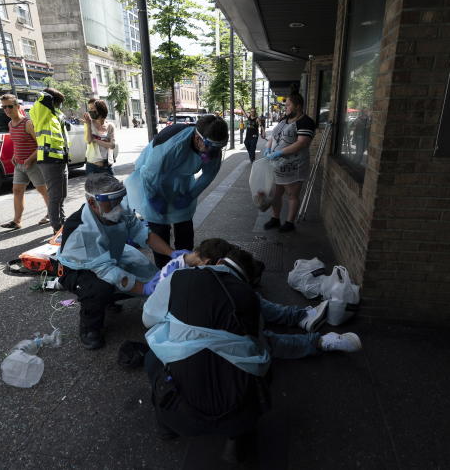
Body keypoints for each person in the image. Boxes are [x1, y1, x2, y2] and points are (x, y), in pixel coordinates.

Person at [144, 238, 363, 359]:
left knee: (251, 309)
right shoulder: (178, 279)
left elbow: (149, 317)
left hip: (185, 341)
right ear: (213, 263)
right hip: (200, 342)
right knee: (263, 340)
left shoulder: (185, 272)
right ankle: (317, 339)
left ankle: (303, 319)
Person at [142, 247, 271, 440]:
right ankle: (238, 439)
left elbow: (148, 319)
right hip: (237, 419)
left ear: (218, 263)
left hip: (180, 417)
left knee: (153, 356)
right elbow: (255, 347)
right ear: (248, 280)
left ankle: (166, 426)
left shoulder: (179, 278)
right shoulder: (250, 298)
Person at [52, 173, 176, 350]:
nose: (118, 206)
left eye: (119, 199)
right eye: (111, 202)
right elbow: (107, 271)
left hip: (110, 254)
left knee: (150, 274)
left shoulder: (117, 208)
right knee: (100, 288)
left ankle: (109, 299)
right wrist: (145, 289)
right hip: (76, 268)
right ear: (92, 203)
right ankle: (89, 326)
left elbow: (144, 234)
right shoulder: (81, 230)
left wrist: (173, 253)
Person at [125, 115, 228, 269]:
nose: (213, 153)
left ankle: (185, 266)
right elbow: (149, 174)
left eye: (218, 148)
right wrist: (154, 198)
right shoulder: (171, 146)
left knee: (185, 228)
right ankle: (163, 269)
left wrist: (190, 195)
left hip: (181, 180)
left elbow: (208, 175)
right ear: (198, 138)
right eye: (210, 147)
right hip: (151, 179)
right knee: (159, 228)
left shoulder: (213, 149)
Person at [262, 91, 316, 233]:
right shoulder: (283, 120)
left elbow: (301, 143)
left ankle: (289, 222)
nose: (285, 107)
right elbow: (273, 137)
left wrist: (279, 152)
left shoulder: (306, 122)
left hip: (294, 166)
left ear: (298, 106)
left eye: (288, 105)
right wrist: (268, 149)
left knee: (292, 195)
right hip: (277, 165)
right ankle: (275, 218)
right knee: (274, 194)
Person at [0, 94, 50, 230]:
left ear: (17, 106)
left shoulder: (27, 123)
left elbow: (41, 145)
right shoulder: (10, 124)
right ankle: (16, 221)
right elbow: (17, 142)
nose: (7, 109)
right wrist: (15, 155)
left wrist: (30, 159)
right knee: (17, 190)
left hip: (33, 164)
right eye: (4, 107)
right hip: (19, 165)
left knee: (43, 190)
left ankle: (52, 214)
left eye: (10, 106)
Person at [30, 88, 69, 235]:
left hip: (61, 158)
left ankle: (62, 223)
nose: (59, 105)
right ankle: (57, 227)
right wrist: (46, 95)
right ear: (51, 100)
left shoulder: (55, 114)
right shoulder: (41, 110)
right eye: (58, 102)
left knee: (62, 195)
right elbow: (41, 99)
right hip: (49, 159)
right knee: (55, 196)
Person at [83, 99, 115, 175]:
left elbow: (112, 145)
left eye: (92, 108)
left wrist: (96, 140)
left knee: (112, 187)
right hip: (92, 167)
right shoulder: (89, 124)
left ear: (100, 109)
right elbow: (88, 140)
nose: (90, 111)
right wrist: (88, 125)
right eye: (89, 109)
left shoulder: (110, 126)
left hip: (107, 167)